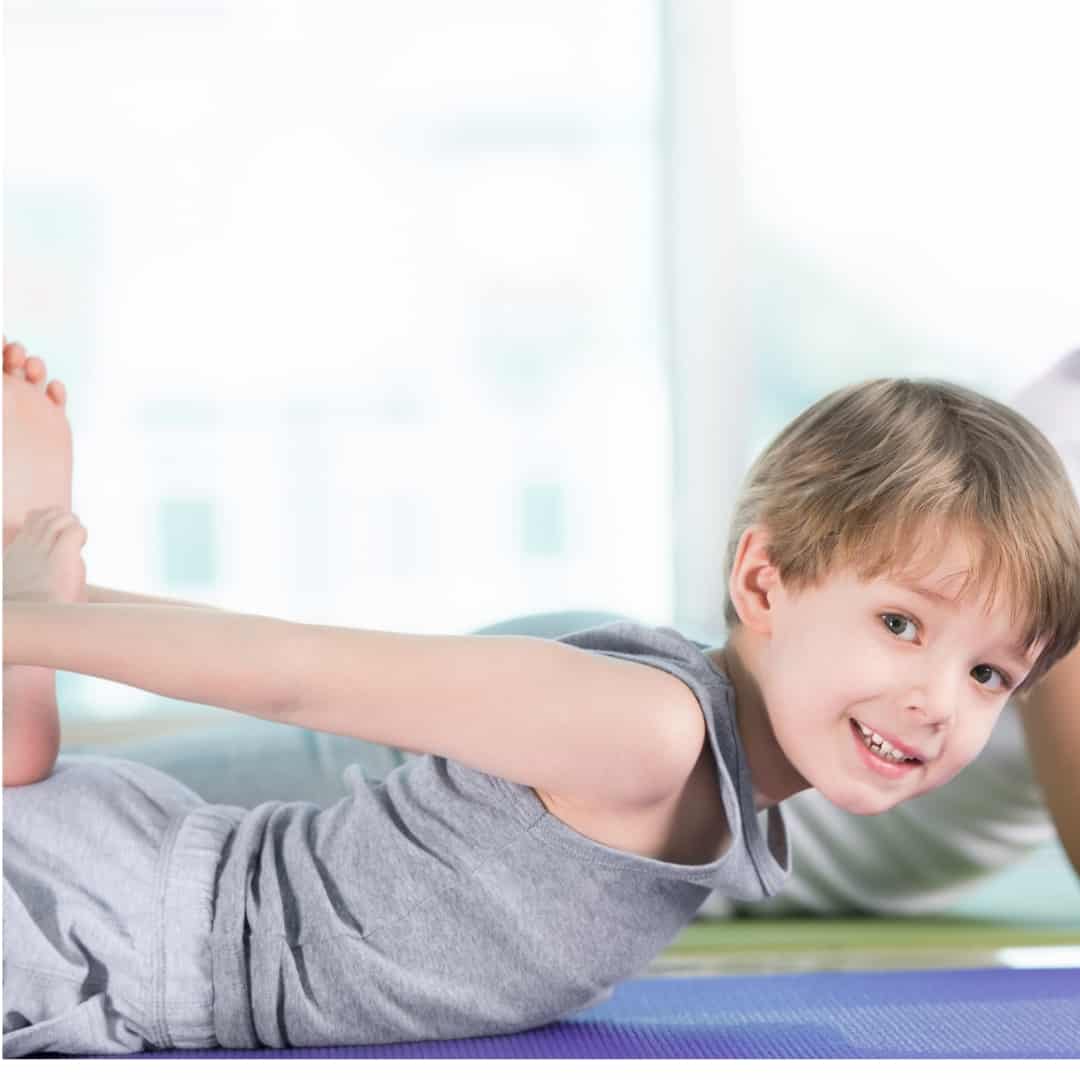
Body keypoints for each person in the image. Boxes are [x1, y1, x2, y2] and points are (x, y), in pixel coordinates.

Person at [5, 343, 1080, 1056]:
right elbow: (302, 671)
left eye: (990, 674)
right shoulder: (653, 734)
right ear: (763, 583)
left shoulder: (727, 776)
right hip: (111, 930)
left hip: (134, 912)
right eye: (902, 625)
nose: (941, 700)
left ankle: (33, 643)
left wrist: (81, 600)